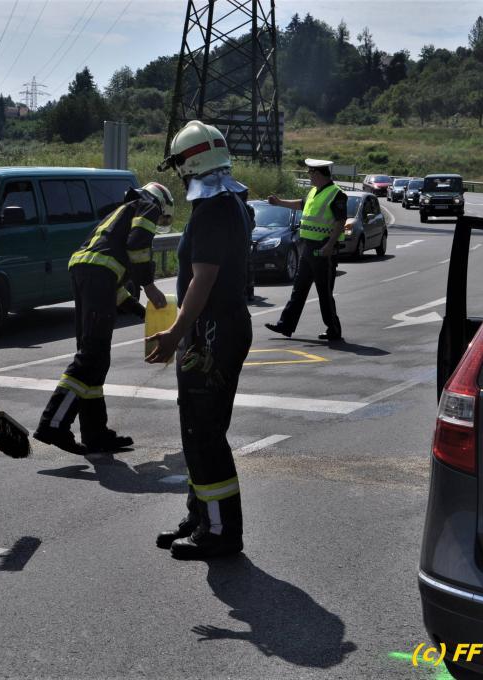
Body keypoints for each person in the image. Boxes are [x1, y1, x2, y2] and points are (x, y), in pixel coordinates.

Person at [146, 120, 253, 560]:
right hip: (217, 330)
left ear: (189, 164)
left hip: (211, 333)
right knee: (198, 430)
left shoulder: (212, 210)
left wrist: (175, 333)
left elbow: (202, 279)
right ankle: (201, 517)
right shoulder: (232, 201)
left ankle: (220, 531)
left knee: (204, 432)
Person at [34, 182, 173, 454]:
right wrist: (149, 285)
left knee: (96, 358)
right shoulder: (147, 206)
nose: (159, 222)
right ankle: (53, 423)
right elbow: (137, 246)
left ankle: (95, 432)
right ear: (161, 203)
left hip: (87, 274)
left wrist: (141, 312)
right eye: (163, 219)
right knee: (91, 356)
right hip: (97, 277)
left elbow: (112, 282)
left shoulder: (119, 214)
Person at [264, 159, 347, 342]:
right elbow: (300, 204)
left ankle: (333, 329)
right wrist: (279, 202)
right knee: (299, 289)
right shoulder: (314, 191)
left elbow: (341, 222)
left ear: (318, 173)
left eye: (310, 172)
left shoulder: (336, 194)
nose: (309, 176)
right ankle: (285, 325)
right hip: (308, 248)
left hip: (323, 250)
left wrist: (329, 245)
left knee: (324, 293)